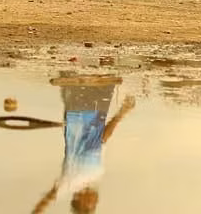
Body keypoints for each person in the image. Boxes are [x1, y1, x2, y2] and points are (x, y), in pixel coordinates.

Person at [31, 75, 135, 214]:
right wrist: (122, 112)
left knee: (82, 68)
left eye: (92, 206)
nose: (96, 202)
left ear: (81, 201)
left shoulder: (69, 184)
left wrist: (122, 112)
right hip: (99, 111)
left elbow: (44, 203)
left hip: (77, 109)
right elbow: (103, 139)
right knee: (106, 67)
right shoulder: (96, 176)